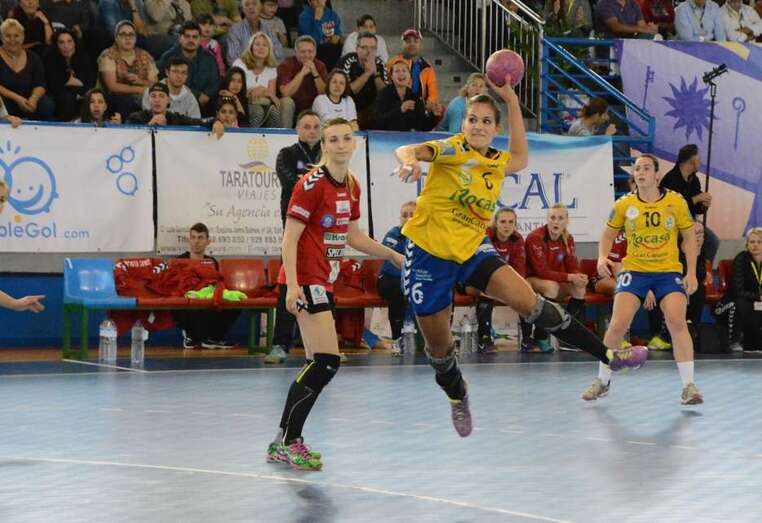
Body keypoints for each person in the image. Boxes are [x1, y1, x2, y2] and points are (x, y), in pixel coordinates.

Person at [394, 81, 648, 437]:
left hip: (471, 249)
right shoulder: (452, 149)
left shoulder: (498, 161)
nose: (478, 126)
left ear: (495, 128)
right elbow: (408, 149)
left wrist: (513, 100)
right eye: (472, 119)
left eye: (486, 121)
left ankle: (609, 355)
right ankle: (457, 394)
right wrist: (410, 163)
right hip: (428, 256)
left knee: (532, 303)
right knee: (439, 350)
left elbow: (521, 157)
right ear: (463, 124)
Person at [266, 117, 404, 470]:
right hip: (305, 279)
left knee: (318, 363)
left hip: (324, 279)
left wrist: (391, 254)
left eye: (346, 139)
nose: (341, 145)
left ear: (354, 143)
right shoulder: (310, 184)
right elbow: (289, 238)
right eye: (333, 140)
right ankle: (290, 441)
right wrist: (292, 285)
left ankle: (282, 441)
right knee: (326, 361)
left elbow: (353, 236)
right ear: (324, 146)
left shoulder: (353, 185)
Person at [584, 154, 702, 405]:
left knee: (676, 321)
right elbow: (607, 234)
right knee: (617, 324)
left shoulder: (675, 201)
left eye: (647, 168)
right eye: (637, 169)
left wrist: (691, 271)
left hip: (667, 271)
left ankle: (689, 386)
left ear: (657, 175)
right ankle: (602, 381)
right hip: (635, 270)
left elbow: (690, 237)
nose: (641, 172)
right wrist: (602, 257)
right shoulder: (624, 204)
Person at [265, 109, 322, 364]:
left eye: (316, 126)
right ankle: (280, 344)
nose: (311, 131)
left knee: (322, 285)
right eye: (306, 126)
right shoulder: (286, 154)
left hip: (321, 228)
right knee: (288, 283)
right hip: (294, 227)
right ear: (298, 129)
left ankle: (323, 344)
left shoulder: (327, 153)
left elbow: (333, 183)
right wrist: (313, 180)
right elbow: (291, 183)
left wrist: (307, 180)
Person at [525, 205, 588, 353]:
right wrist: (570, 276)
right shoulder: (535, 237)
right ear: (547, 219)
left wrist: (578, 276)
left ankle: (567, 338)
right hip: (531, 280)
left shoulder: (568, 238)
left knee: (579, 288)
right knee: (551, 287)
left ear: (567, 221)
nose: (556, 222)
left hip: (554, 280)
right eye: (552, 218)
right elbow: (541, 272)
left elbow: (572, 265)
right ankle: (540, 336)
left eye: (560, 218)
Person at [172, 223, 241, 349]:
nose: (196, 241)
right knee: (180, 301)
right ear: (189, 240)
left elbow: (216, 283)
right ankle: (191, 335)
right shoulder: (178, 261)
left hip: (207, 298)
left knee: (233, 302)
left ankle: (214, 338)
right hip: (188, 299)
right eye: (193, 237)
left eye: (200, 238)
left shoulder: (212, 261)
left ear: (207, 241)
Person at [476, 208, 531, 354]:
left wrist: (514, 286)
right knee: (487, 291)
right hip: (476, 278)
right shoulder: (485, 236)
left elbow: (519, 269)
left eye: (511, 222)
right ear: (495, 223)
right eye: (503, 221)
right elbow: (479, 265)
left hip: (501, 281)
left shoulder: (517, 239)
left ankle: (527, 339)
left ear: (515, 224)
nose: (507, 226)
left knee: (524, 290)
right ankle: (484, 338)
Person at [660, 144, 719, 264]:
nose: (700, 162)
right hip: (672, 224)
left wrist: (704, 204)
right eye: (699, 159)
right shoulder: (670, 179)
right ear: (692, 161)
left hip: (690, 222)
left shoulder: (694, 180)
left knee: (712, 241)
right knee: (687, 240)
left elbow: (698, 210)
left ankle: (704, 268)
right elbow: (672, 207)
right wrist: (696, 198)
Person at [378, 201, 416, 357]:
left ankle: (432, 341)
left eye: (412, 215)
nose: (408, 218)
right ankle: (396, 338)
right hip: (390, 278)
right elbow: (391, 263)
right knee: (398, 288)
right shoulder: (393, 234)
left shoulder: (427, 235)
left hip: (414, 279)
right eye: (404, 215)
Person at [714, 227, 762, 352]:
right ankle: (734, 340)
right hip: (730, 302)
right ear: (747, 244)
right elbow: (737, 290)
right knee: (742, 304)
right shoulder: (741, 259)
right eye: (752, 242)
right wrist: (758, 297)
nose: (755, 245)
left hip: (755, 300)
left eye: (759, 242)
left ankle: (755, 343)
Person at [97, 20, 158, 118]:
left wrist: (140, 81)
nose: (127, 38)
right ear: (116, 38)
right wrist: (141, 89)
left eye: (131, 35)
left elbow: (154, 84)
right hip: (114, 100)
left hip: (142, 98)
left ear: (135, 38)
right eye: (123, 34)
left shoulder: (145, 55)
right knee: (123, 101)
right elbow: (112, 87)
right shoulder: (108, 55)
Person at [232, 31, 292, 128]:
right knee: (257, 111)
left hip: (264, 103)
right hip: (242, 102)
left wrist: (262, 90)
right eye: (257, 44)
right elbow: (235, 89)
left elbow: (271, 95)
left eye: (265, 45)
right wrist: (255, 92)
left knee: (275, 112)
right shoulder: (240, 64)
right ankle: (250, 136)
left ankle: (274, 137)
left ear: (269, 49)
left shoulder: (271, 68)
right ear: (251, 47)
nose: (261, 48)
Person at [157, 21, 220, 113]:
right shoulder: (168, 57)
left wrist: (207, 95)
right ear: (180, 38)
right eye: (187, 36)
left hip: (206, 103)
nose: (191, 40)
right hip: (176, 102)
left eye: (195, 37)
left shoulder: (209, 58)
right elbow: (162, 82)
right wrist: (197, 95)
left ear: (200, 39)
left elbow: (215, 82)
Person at [127, 81, 224, 138]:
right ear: (149, 99)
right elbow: (128, 136)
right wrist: (150, 125)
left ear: (168, 100)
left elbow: (200, 121)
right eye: (153, 96)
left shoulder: (175, 118)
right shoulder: (136, 117)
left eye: (161, 96)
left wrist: (216, 121)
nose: (157, 100)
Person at [0, 19, 55, 120]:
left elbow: (40, 84)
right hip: (5, 101)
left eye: (16, 36)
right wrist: (17, 98)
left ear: (22, 37)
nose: (12, 40)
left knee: (47, 105)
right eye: (7, 36)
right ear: (1, 37)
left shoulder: (34, 57)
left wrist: (33, 98)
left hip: (28, 100)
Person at [387, 29, 444, 120]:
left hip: (420, 109)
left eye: (415, 41)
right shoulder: (392, 64)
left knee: (441, 110)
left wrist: (428, 106)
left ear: (421, 45)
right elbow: (387, 89)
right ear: (402, 44)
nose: (412, 44)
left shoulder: (427, 67)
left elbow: (433, 94)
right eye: (408, 41)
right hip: (398, 108)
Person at [337, 32, 386, 130]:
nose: (368, 52)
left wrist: (375, 74)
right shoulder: (347, 61)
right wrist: (367, 73)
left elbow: (385, 94)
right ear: (357, 49)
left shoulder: (380, 63)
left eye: (373, 48)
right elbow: (347, 92)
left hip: (372, 111)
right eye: (364, 47)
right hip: (348, 108)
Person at [372, 58, 436, 132]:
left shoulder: (415, 97)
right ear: (391, 77)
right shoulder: (383, 95)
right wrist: (400, 110)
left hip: (408, 137)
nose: (401, 74)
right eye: (397, 71)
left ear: (409, 76)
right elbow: (377, 122)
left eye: (404, 71)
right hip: (386, 136)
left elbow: (423, 126)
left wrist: (434, 114)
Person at [43, 28, 94, 121]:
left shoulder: (83, 56)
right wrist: (73, 83)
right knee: (66, 98)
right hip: (56, 97)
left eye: (69, 41)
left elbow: (87, 83)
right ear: (56, 45)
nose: (66, 46)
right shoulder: (50, 57)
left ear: (74, 43)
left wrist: (68, 82)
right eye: (61, 42)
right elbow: (53, 85)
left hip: (77, 95)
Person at [276, 35, 327, 122]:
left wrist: (315, 73)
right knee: (286, 101)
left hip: (312, 108)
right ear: (295, 52)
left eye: (310, 51)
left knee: (322, 101)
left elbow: (324, 95)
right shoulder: (286, 65)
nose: (307, 55)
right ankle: (285, 131)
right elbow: (285, 93)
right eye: (303, 52)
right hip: (292, 108)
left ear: (315, 52)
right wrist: (302, 73)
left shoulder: (320, 66)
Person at [226, 0, 284, 67]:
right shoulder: (235, 29)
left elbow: (279, 53)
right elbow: (233, 59)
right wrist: (255, 68)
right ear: (242, 10)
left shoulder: (268, 27)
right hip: (245, 70)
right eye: (247, 5)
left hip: (268, 68)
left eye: (254, 4)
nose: (251, 7)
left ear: (260, 7)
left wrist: (265, 68)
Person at [297, 0, 341, 70]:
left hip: (331, 49)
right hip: (313, 50)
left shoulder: (333, 15)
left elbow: (338, 35)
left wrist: (337, 38)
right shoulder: (304, 16)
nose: (319, 1)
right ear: (309, 2)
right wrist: (317, 20)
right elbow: (313, 41)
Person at [595, 0, 659, 38]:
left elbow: (642, 26)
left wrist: (650, 28)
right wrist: (640, 29)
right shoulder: (604, 3)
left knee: (653, 36)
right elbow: (615, 27)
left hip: (629, 46)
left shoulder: (633, 3)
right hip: (609, 46)